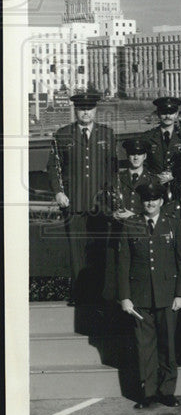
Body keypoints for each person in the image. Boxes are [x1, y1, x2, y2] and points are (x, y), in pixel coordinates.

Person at [117, 182, 181, 408]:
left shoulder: (173, 223)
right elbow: (124, 262)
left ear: (161, 201)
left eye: (155, 199)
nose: (150, 203)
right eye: (147, 199)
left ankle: (167, 391)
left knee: (168, 345)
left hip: (168, 295)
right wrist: (125, 297)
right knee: (144, 346)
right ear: (142, 201)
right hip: (140, 297)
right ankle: (148, 393)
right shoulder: (132, 224)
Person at [47, 91, 118, 306]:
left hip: (100, 205)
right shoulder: (62, 135)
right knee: (77, 252)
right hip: (74, 203)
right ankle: (80, 296)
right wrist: (59, 192)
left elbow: (113, 170)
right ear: (75, 110)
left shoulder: (107, 134)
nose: (85, 113)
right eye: (81, 109)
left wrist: (112, 198)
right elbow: (53, 167)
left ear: (95, 110)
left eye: (89, 109)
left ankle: (98, 295)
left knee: (98, 251)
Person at [141, 96, 181, 183]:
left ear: (176, 114)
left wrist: (174, 175)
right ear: (158, 114)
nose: (167, 116)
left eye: (171, 112)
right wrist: (155, 178)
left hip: (179, 185)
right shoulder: (148, 137)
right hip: (154, 185)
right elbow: (142, 165)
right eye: (164, 113)